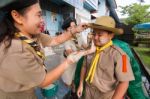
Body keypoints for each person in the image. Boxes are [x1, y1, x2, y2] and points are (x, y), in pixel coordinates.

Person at [0, 0, 94, 99]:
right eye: (39, 15)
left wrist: (75, 30)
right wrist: (68, 62)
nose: (42, 20)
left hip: (29, 91)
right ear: (17, 16)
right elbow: (43, 81)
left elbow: (55, 40)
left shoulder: (32, 35)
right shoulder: (15, 50)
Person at [77, 16, 135, 99]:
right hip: (88, 91)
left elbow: (125, 82)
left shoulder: (122, 56)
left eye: (100, 34)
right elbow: (84, 66)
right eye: (94, 34)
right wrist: (81, 85)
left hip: (106, 95)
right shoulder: (89, 50)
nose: (95, 37)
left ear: (111, 35)